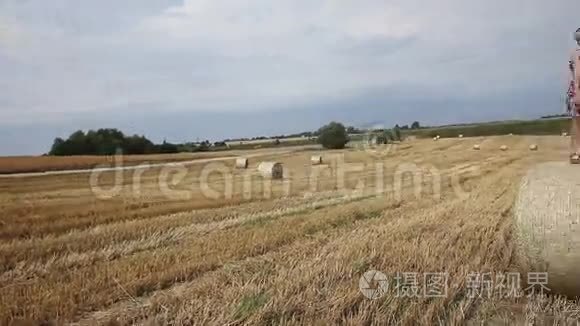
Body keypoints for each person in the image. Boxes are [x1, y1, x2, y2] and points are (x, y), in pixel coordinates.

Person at [568, 28, 580, 163]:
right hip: (577, 90)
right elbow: (575, 75)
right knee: (577, 121)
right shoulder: (575, 54)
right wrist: (574, 93)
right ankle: (577, 151)